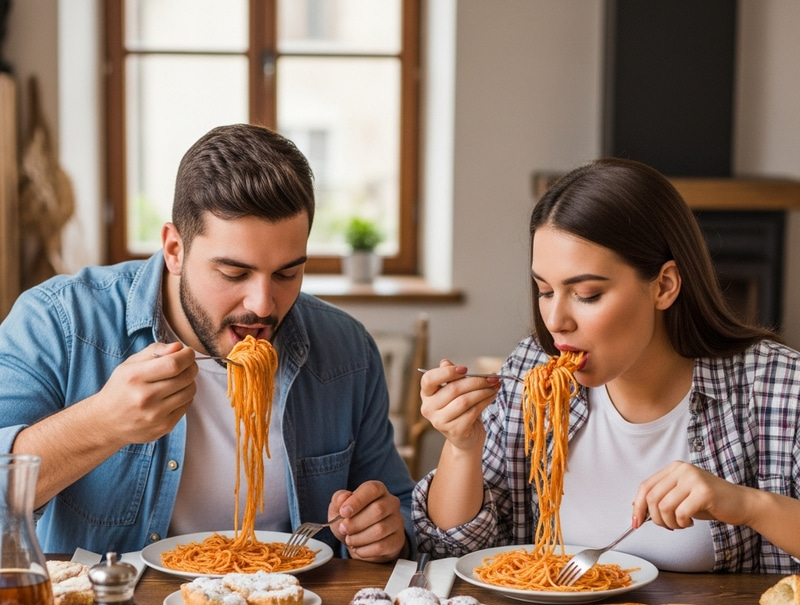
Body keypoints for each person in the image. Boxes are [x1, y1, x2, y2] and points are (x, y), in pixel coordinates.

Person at [0, 123, 414, 561]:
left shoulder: (346, 350)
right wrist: (103, 421)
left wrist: (386, 531)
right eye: (234, 273)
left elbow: (400, 513)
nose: (262, 305)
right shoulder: (58, 320)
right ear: (174, 249)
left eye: (287, 273)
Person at [413, 157, 800, 573]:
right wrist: (462, 444)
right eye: (545, 291)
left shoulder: (776, 385)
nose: (556, 321)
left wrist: (748, 505)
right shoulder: (531, 370)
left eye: (587, 294)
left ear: (664, 286)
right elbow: (449, 548)